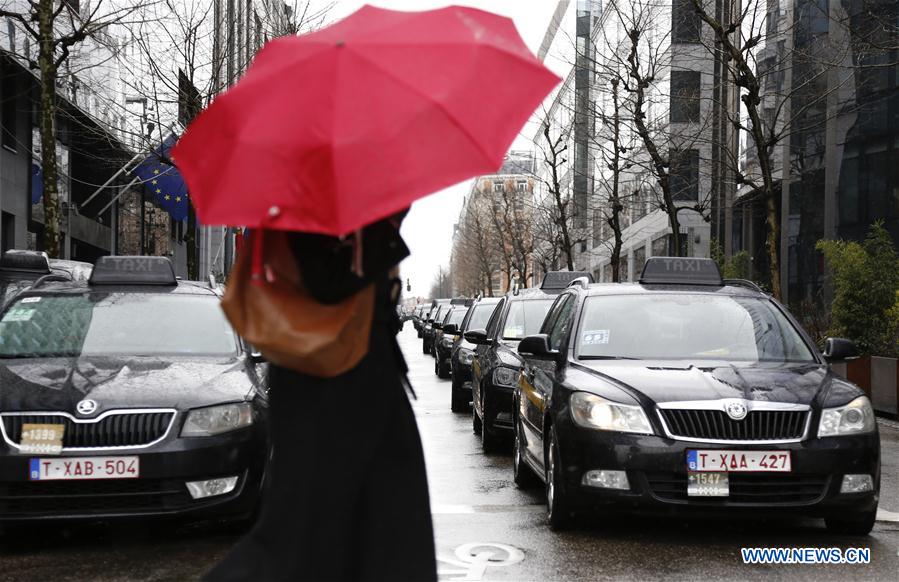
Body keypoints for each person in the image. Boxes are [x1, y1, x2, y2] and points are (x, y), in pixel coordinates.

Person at [206, 212, 437, 581]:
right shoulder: (332, 220)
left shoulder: (298, 217)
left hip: (327, 381)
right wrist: (383, 231)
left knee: (328, 530)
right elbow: (330, 284)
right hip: (343, 381)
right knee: (348, 534)